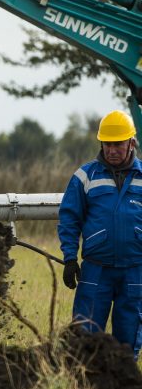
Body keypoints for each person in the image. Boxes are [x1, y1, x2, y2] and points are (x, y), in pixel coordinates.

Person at [58, 109, 142, 359]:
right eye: (107, 144)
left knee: (128, 341)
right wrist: (70, 258)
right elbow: (69, 219)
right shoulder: (85, 176)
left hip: (136, 271)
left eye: (118, 144)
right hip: (96, 271)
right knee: (84, 338)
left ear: (131, 143)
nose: (112, 150)